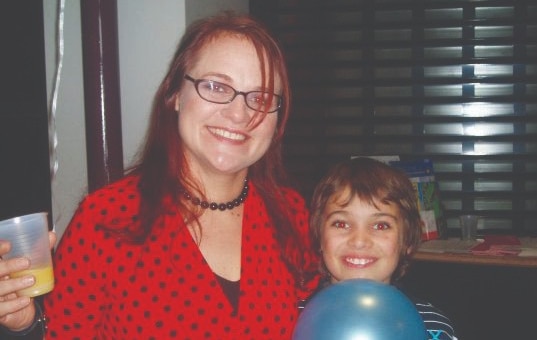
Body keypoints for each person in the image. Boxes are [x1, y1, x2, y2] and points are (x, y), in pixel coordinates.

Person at [0, 11, 319, 339]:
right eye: (216, 86)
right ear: (175, 95)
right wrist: (23, 326)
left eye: (261, 97)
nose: (239, 113)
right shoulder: (106, 219)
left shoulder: (293, 216)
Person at [308, 157, 457, 340]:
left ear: (407, 241)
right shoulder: (290, 319)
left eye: (380, 226)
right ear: (319, 236)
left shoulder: (433, 326)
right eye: (341, 224)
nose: (359, 241)